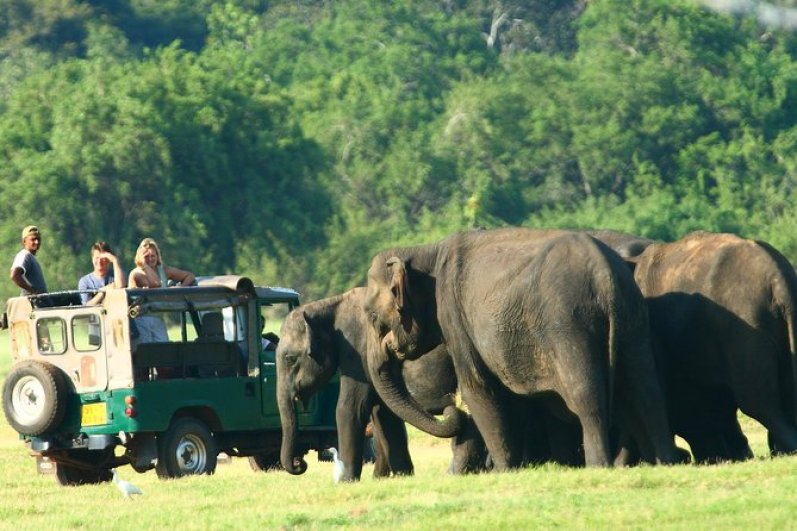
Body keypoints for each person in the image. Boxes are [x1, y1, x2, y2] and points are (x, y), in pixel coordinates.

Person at [128, 237, 195, 288]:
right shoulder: (136, 274)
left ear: (157, 256)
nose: (150, 259)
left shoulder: (164, 271)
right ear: (140, 257)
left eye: (153, 256)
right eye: (146, 256)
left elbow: (189, 276)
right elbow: (156, 284)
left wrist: (180, 288)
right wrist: (145, 266)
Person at [10, 225, 48, 296]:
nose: (37, 242)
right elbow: (14, 275)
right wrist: (32, 291)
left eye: (38, 239)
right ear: (24, 241)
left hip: (39, 304)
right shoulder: (25, 255)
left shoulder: (31, 257)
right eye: (33, 239)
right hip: (32, 304)